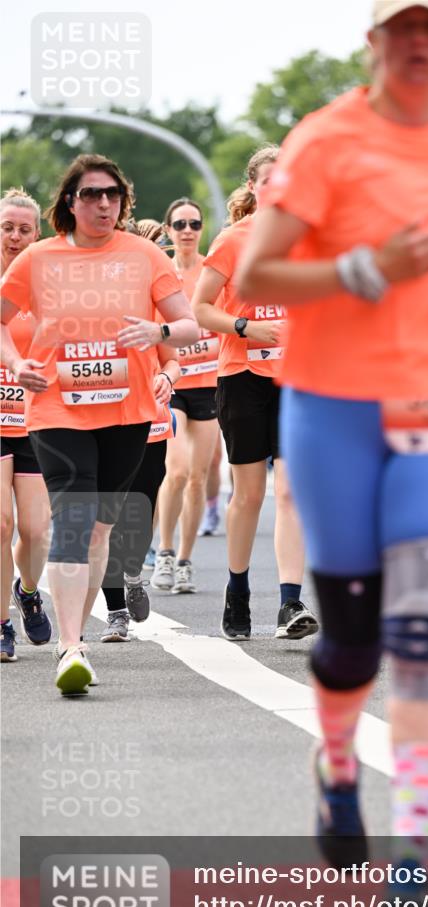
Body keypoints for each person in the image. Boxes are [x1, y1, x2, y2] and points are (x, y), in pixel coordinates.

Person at [237, 0, 428, 907]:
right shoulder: (324, 141)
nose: (417, 42)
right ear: (373, 42)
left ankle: (411, 852)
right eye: (400, 27)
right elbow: (256, 276)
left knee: (421, 632)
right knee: (354, 636)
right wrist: (363, 270)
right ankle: (333, 763)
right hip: (333, 408)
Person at [0, 154, 199, 695]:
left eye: (112, 193)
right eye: (91, 194)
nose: (103, 203)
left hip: (127, 413)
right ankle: (71, 646)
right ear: (70, 202)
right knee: (73, 519)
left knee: (99, 530)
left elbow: (188, 325)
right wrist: (17, 364)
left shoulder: (142, 256)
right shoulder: (39, 258)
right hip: (57, 411)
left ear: (123, 200)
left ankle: (73, 635)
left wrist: (157, 333)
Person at [192, 147, 318, 642]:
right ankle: (238, 589)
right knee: (249, 494)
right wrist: (244, 325)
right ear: (254, 187)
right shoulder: (233, 240)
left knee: (291, 491)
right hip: (242, 376)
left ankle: (290, 602)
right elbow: (201, 309)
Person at [100, 219, 182, 640]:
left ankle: (133, 570)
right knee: (105, 516)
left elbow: (172, 358)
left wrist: (168, 377)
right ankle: (115, 612)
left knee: (141, 507)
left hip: (149, 421)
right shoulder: (79, 304)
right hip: (98, 419)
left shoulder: (148, 301)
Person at [149, 198, 219, 594]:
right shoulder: (162, 273)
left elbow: (221, 321)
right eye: (180, 224)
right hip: (172, 383)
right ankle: (163, 551)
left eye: (194, 223)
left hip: (208, 384)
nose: (187, 230)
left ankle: (185, 561)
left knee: (198, 476)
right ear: (169, 229)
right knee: (174, 472)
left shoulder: (213, 270)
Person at [0, 188, 52, 662]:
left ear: (37, 233)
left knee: (36, 531)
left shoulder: (46, 283)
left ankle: (29, 590)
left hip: (35, 419)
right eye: (7, 227)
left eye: (24, 229)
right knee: (2, 523)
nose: (15, 237)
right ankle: (1, 626)